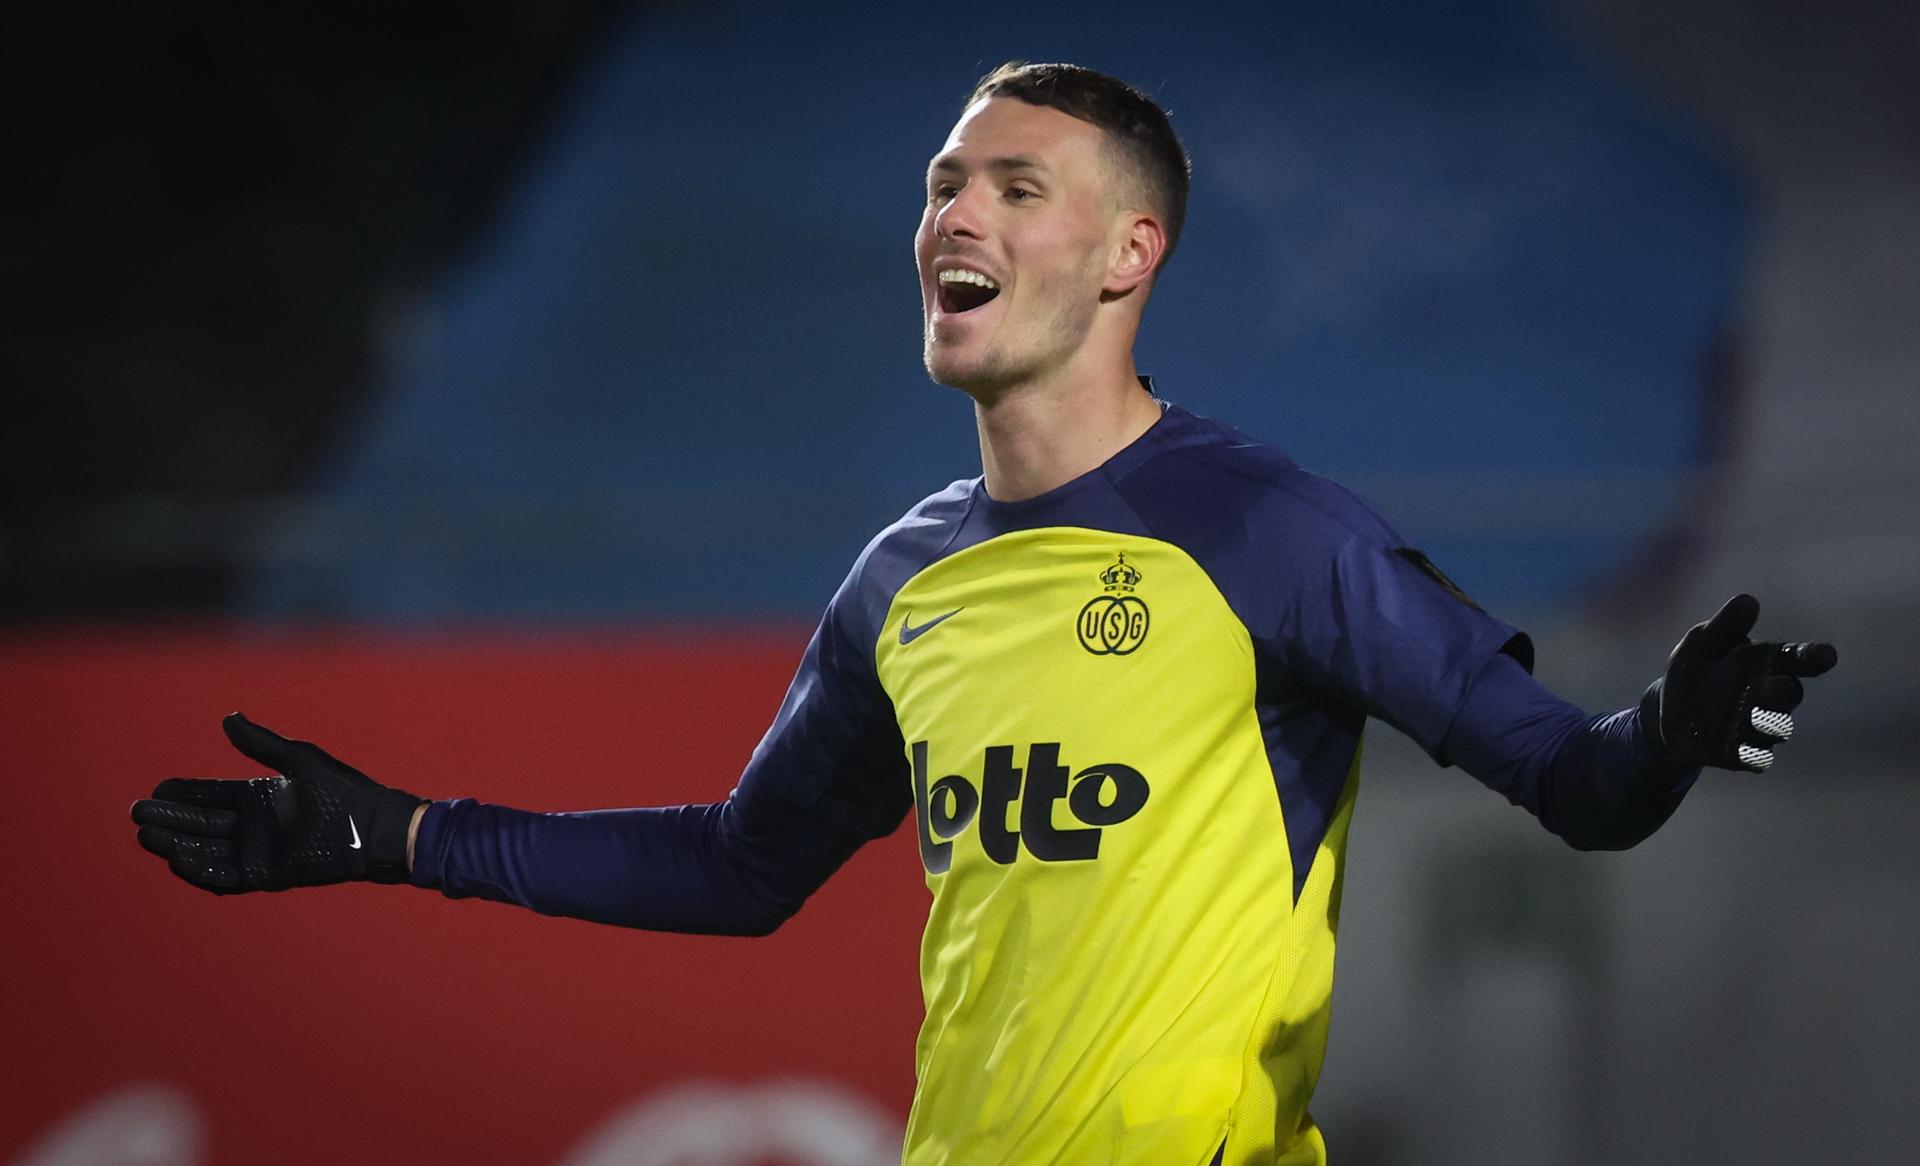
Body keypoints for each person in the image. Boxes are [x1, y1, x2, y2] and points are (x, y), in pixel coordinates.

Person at [130, 62, 1837, 1165]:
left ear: (1128, 255)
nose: (957, 211)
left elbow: (1576, 783)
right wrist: (397, 832)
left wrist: (1668, 734)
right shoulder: (904, 582)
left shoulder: (1271, 530)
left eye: (1020, 188)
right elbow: (743, 867)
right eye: (947, 183)